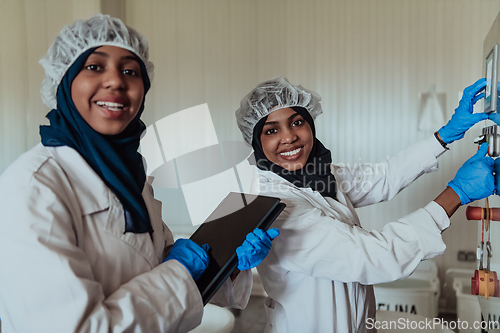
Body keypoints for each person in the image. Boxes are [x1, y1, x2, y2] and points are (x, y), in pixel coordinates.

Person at [0, 14, 279, 333]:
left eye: (130, 71)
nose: (116, 81)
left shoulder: (129, 176)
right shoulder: (33, 186)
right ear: (65, 81)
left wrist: (227, 263)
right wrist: (179, 270)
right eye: (94, 66)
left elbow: (149, 266)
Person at [234, 76, 495, 333]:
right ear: (257, 141)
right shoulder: (275, 204)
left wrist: (445, 135)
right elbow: (373, 256)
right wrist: (455, 194)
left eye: (297, 122)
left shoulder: (318, 174)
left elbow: (383, 176)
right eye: (271, 130)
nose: (289, 137)